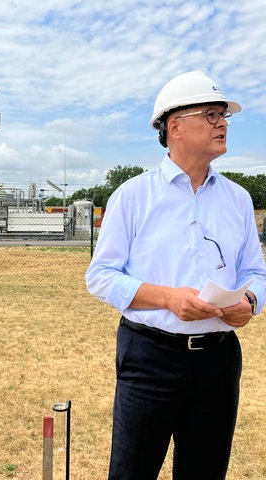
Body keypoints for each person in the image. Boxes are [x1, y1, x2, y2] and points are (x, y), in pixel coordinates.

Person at [86, 71, 266, 480]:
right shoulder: (132, 197)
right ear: (175, 126)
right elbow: (100, 276)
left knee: (205, 471)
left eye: (224, 116)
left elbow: (257, 272)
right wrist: (167, 298)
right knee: (132, 471)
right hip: (149, 358)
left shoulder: (238, 199)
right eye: (212, 114)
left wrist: (251, 303)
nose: (223, 123)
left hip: (218, 361)